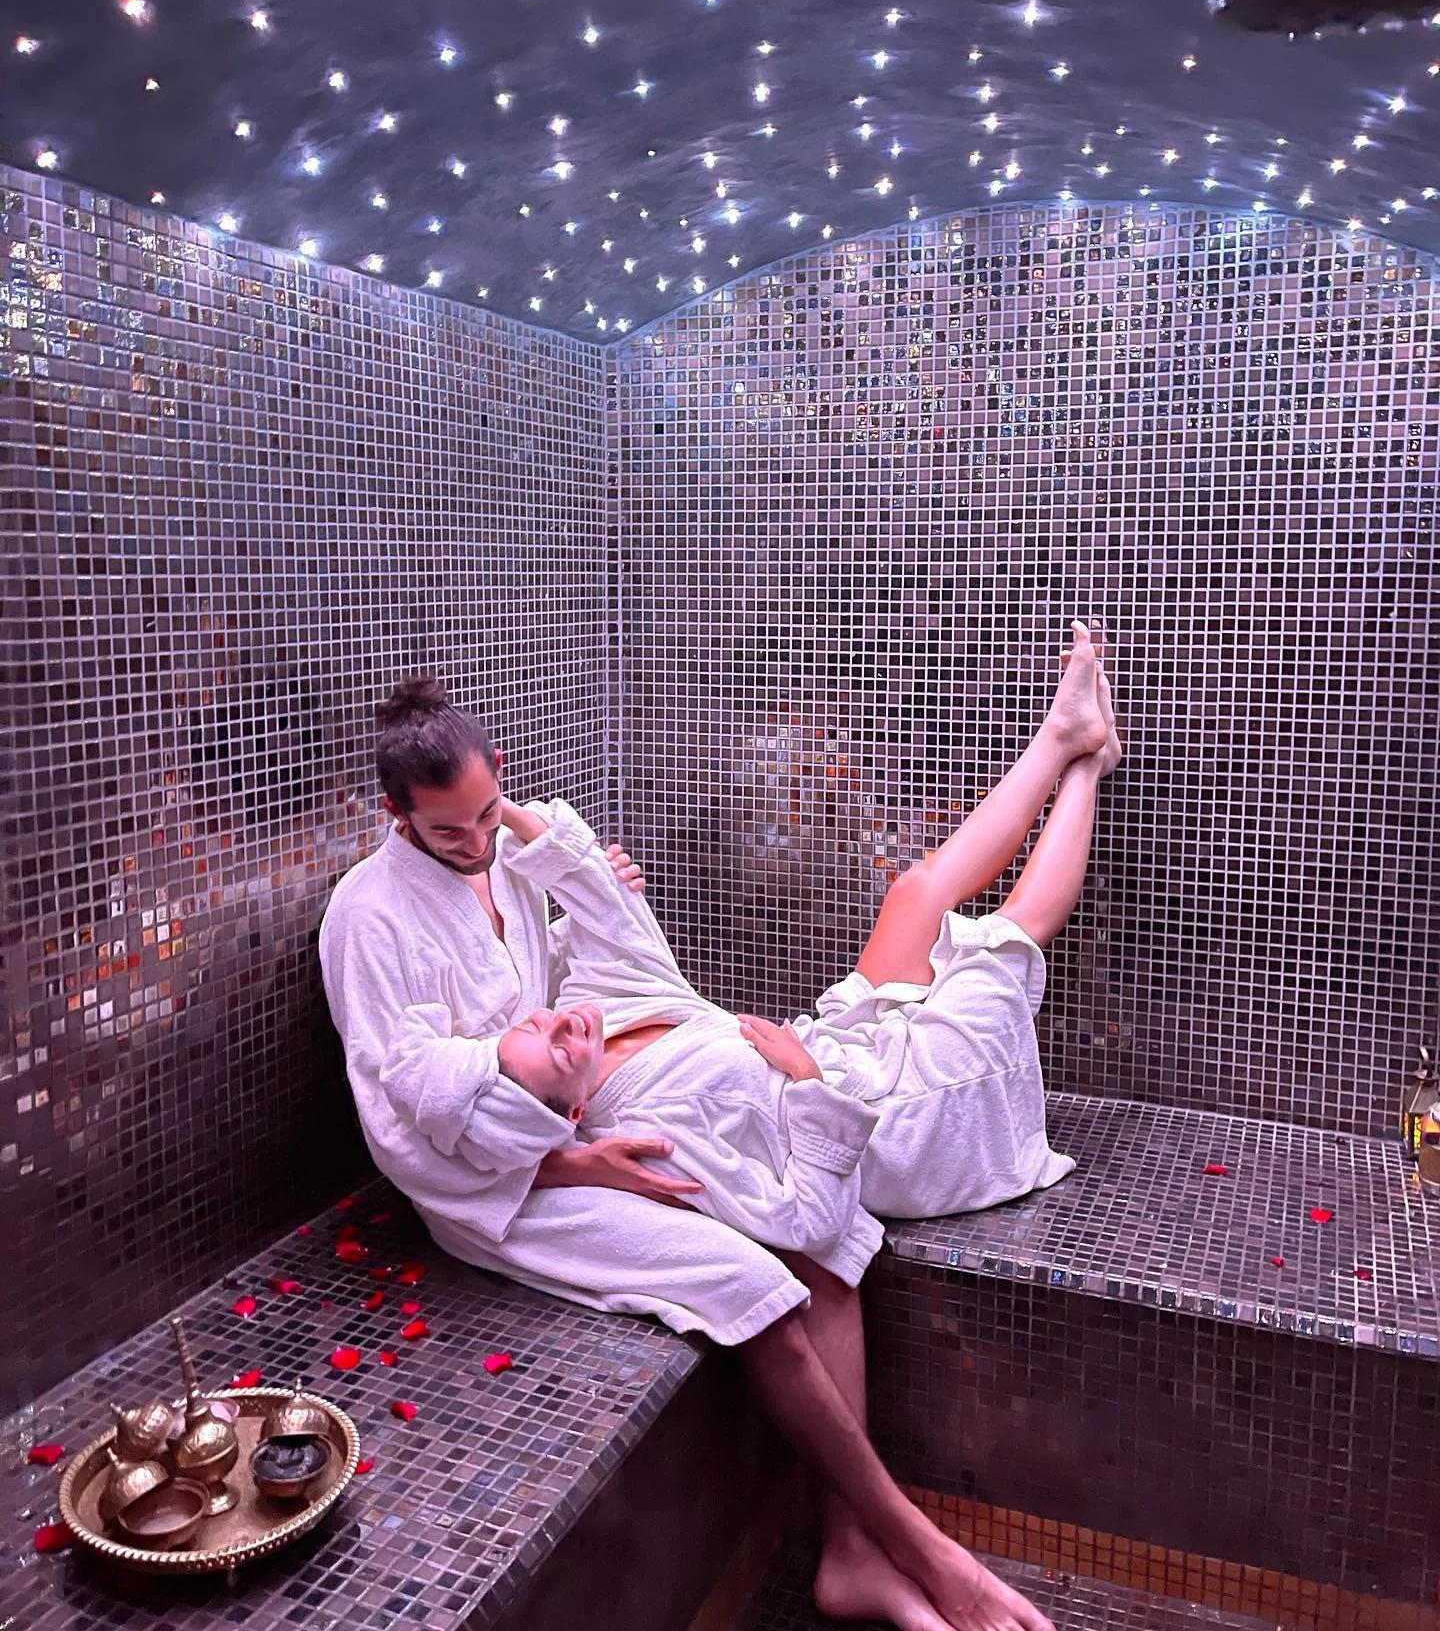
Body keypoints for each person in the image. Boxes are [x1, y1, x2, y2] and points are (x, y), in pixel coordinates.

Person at [318, 625, 1119, 1630]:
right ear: (393, 814)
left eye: (488, 813)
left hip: (617, 1100)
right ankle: (917, 1546)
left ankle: (854, 1553)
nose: (476, 844)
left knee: (834, 1232)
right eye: (448, 832)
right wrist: (577, 1161)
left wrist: (553, 866)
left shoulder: (503, 860)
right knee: (764, 1277)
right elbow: (407, 1122)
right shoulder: (367, 919)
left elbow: (546, 971)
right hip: (510, 1180)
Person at [475, 622, 1119, 1280]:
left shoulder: (600, 1012)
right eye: (557, 1048)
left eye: (535, 1022)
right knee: (1005, 937)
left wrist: (496, 814)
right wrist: (809, 1085)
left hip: (844, 1046)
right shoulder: (647, 1132)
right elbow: (809, 1223)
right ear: (576, 1113)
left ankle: (1062, 735)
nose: (562, 1023)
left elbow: (600, 901)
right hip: (899, 1119)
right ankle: (1088, 768)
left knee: (915, 893)